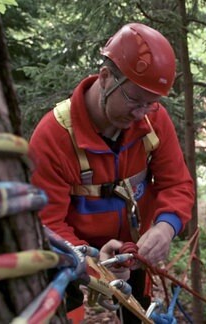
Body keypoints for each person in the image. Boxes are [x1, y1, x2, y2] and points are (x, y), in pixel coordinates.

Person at [29, 23, 195, 322]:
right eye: (134, 100)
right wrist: (92, 260)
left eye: (151, 103)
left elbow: (177, 184)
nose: (140, 113)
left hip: (133, 256)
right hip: (73, 260)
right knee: (68, 314)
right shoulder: (54, 136)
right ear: (105, 78)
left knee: (141, 314)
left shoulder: (153, 121)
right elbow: (46, 223)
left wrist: (164, 227)